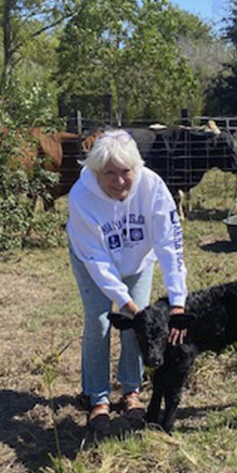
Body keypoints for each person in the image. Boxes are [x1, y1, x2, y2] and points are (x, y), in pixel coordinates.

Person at [66, 129, 189, 432]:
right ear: (96, 172)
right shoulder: (82, 197)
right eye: (110, 173)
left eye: (126, 172)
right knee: (99, 320)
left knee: (139, 323)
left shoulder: (153, 187)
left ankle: (131, 390)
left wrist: (178, 302)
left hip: (137, 258)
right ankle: (98, 397)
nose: (119, 181)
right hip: (92, 261)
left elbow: (169, 245)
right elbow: (99, 263)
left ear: (137, 168)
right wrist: (126, 303)